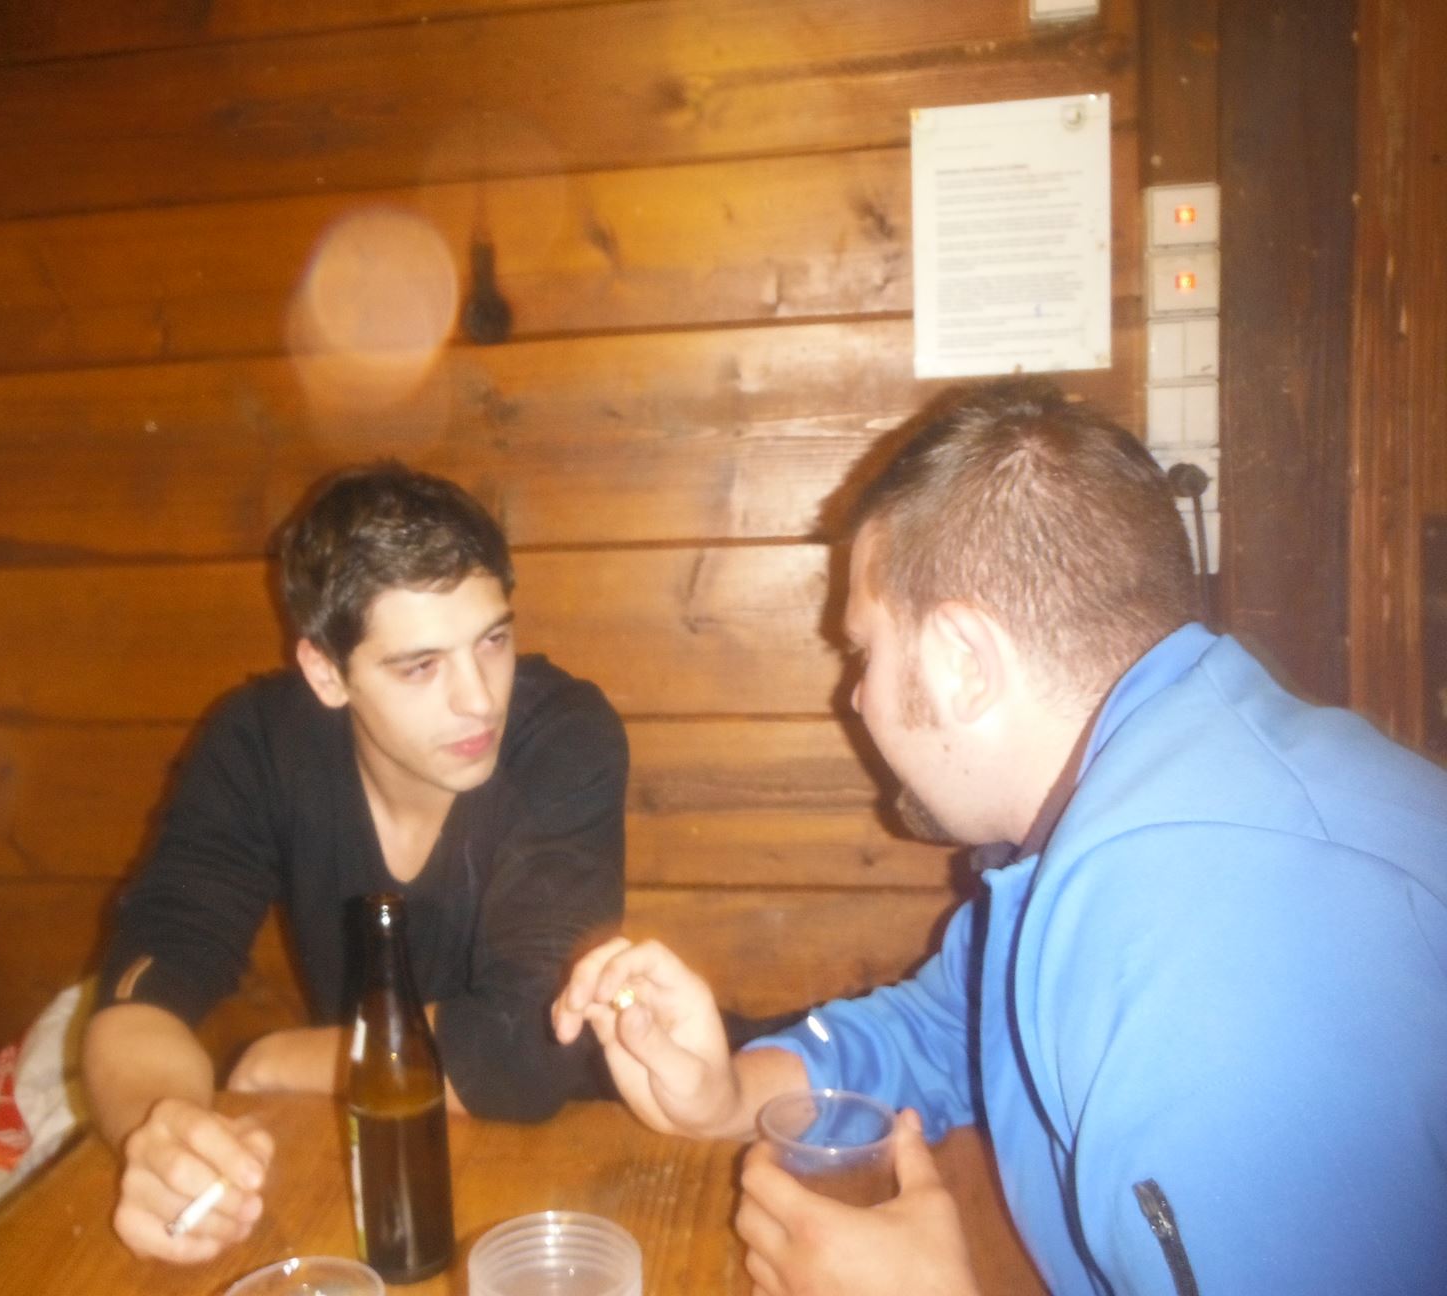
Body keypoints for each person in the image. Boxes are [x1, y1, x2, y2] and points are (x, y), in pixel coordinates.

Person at [554, 380, 1447, 1295]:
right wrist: (727, 1097)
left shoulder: (1222, 942)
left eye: (864, 652)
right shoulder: (1106, 819)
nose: (855, 697)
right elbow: (948, 1029)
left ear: (964, 663)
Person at [85, 463, 629, 1263]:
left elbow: (529, 1047)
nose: (480, 699)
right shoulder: (259, 744)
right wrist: (162, 1135)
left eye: (493, 641)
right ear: (325, 673)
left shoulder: (564, 735)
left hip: (587, 1155)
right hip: (378, 1162)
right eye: (420, 666)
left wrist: (285, 1059)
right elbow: (144, 986)